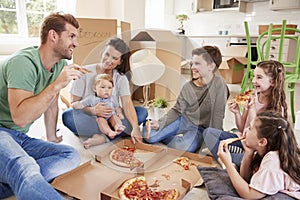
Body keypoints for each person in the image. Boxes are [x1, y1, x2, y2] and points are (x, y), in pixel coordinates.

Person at [0, 12, 82, 199]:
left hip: (19, 137)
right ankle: (22, 176)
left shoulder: (58, 65)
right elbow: (20, 118)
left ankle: (16, 180)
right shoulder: (23, 63)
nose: (75, 43)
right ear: (53, 36)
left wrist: (51, 136)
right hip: (2, 131)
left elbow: (52, 103)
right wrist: (56, 85)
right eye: (71, 36)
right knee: (24, 166)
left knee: (71, 155)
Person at [62, 37, 148, 145]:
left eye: (114, 58)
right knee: (68, 116)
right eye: (107, 54)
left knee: (142, 112)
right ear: (102, 52)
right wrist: (93, 110)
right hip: (90, 119)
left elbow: (127, 104)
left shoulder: (120, 78)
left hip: (113, 117)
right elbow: (74, 104)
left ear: (120, 62)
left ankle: (103, 136)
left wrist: (135, 128)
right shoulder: (84, 72)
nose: (108, 60)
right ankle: (110, 134)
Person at [143, 46, 229, 152]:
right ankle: (158, 130)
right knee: (150, 137)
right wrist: (160, 123)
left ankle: (171, 137)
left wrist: (212, 142)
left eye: (198, 63)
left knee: (184, 147)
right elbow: (176, 110)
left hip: (201, 129)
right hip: (183, 120)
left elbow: (218, 115)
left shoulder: (219, 85)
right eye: (192, 63)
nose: (192, 67)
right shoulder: (188, 87)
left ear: (211, 66)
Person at [203, 60, 288, 167]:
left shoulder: (277, 108)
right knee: (208, 133)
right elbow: (243, 128)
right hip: (243, 139)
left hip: (258, 149)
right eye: (253, 76)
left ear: (273, 82)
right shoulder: (252, 96)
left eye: (259, 77)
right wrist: (237, 113)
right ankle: (227, 157)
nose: (253, 81)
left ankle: (226, 158)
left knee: (249, 161)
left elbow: (257, 137)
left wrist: (252, 109)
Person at [217, 111, 300, 199]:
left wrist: (228, 164)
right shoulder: (264, 149)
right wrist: (248, 153)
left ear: (262, 142)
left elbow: (249, 195)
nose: (245, 131)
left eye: (249, 128)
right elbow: (245, 178)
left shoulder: (272, 161)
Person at [71, 74, 125, 148]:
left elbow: (117, 107)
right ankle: (109, 132)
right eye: (103, 87)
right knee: (101, 120)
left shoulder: (113, 98)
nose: (106, 90)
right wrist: (76, 105)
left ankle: (118, 127)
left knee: (115, 118)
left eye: (109, 88)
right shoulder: (91, 98)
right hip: (99, 118)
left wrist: (119, 113)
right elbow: (82, 104)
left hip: (111, 115)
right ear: (95, 88)